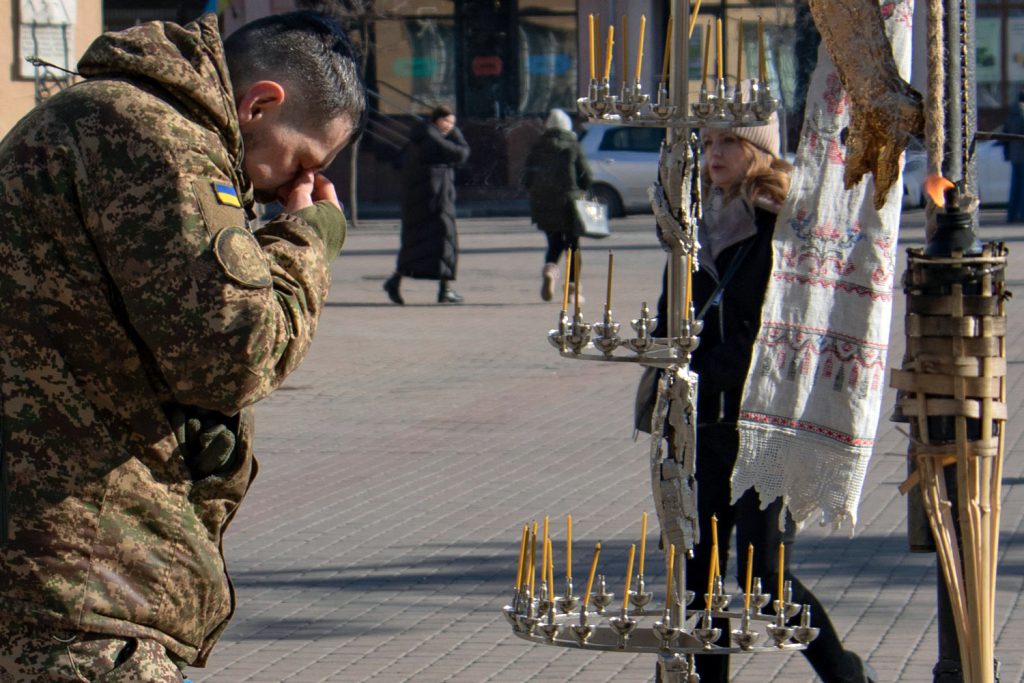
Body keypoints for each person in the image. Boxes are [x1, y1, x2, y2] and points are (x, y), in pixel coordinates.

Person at [0, 10, 365, 681]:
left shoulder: (98, 118)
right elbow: (234, 356)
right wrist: (308, 239)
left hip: (57, 580)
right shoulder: (158, 136)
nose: (294, 188)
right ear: (260, 102)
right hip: (85, 593)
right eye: (303, 163)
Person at [650, 115, 877, 683]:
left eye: (728, 142)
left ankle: (847, 677)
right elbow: (668, 316)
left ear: (758, 151)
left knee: (765, 579)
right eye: (707, 143)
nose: (713, 154)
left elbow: (805, 318)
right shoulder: (693, 227)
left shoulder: (785, 225)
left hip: (765, 425)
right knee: (699, 575)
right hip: (699, 422)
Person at [383, 105, 471, 305]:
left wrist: (453, 132)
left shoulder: (426, 136)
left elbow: (462, 153)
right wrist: (455, 135)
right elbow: (460, 153)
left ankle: (442, 288)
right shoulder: (430, 138)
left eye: (453, 123)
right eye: (447, 122)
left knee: (432, 243)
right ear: (436, 120)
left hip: (432, 198)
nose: (449, 126)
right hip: (431, 199)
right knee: (437, 241)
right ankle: (399, 282)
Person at [523, 108, 592, 302]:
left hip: (543, 203)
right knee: (573, 246)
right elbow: (586, 175)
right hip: (570, 203)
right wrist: (584, 189)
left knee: (554, 243)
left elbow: (527, 178)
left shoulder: (537, 147)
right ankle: (573, 289)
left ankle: (550, 270)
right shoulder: (573, 146)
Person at [1003, 90, 1024, 223]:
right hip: (1023, 154)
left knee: (1015, 185)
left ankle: (1011, 214)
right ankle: (1022, 214)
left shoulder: (1012, 113)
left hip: (1014, 155)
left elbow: (1005, 134)